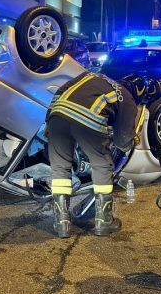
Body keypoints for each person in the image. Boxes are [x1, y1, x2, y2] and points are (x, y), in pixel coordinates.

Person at [46, 71, 142, 238]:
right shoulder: (127, 97)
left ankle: (62, 223)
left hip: (57, 116)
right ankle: (104, 221)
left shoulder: (91, 75)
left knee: (60, 167)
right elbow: (123, 141)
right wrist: (132, 140)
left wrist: (49, 120)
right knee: (102, 165)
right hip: (86, 120)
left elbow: (60, 91)